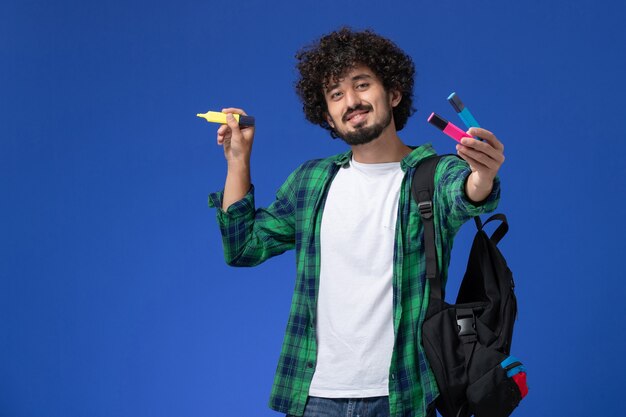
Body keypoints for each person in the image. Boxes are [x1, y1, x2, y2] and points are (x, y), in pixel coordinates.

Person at [208, 28, 505, 417]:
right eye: (336, 95)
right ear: (328, 117)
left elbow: (465, 193)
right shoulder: (311, 181)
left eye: (361, 85)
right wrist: (237, 160)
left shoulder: (433, 175)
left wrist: (482, 176)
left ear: (393, 94)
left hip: (404, 394)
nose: (351, 101)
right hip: (314, 397)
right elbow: (243, 247)